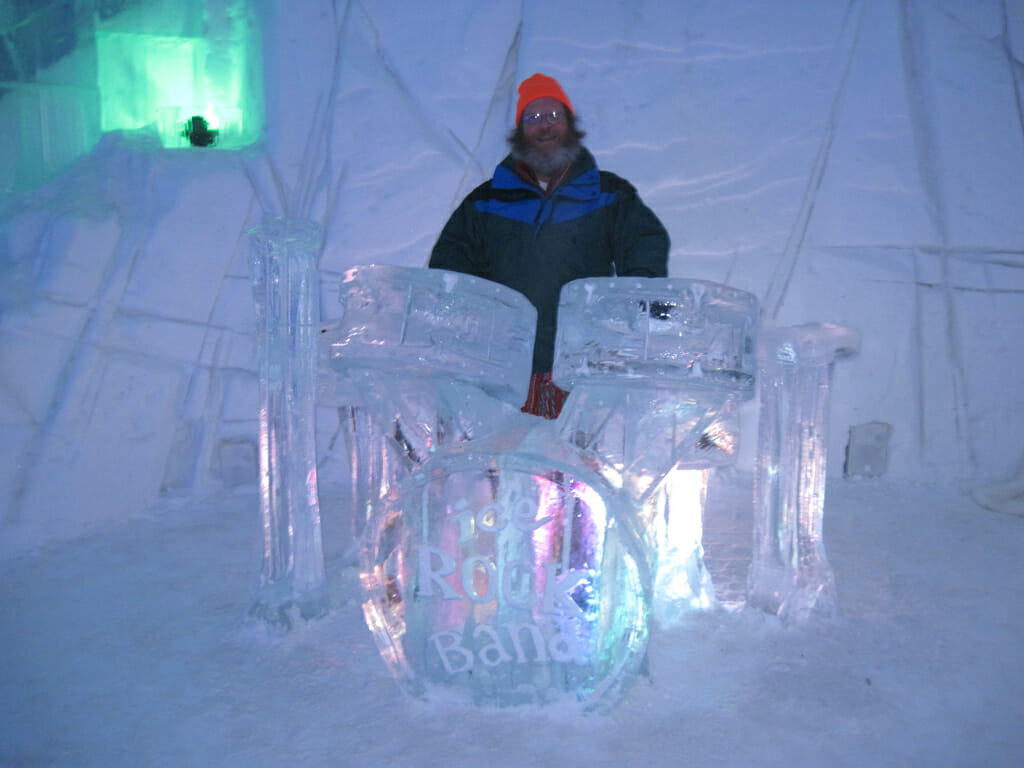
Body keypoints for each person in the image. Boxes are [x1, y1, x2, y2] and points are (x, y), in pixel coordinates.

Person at [429, 73, 669, 418]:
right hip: (505, 375)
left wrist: (639, 297)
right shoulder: (485, 201)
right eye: (533, 117)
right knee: (506, 450)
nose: (545, 125)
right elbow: (451, 263)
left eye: (553, 115)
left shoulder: (608, 194)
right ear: (519, 130)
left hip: (580, 372)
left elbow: (644, 242)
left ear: (570, 123)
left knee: (575, 451)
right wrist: (460, 316)